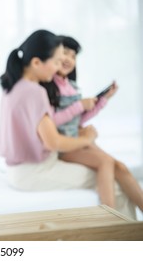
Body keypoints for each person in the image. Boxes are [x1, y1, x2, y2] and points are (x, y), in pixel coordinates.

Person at [0, 29, 137, 219]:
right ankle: (117, 235)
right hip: (35, 171)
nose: (57, 68)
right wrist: (87, 138)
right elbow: (53, 142)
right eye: (55, 62)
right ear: (37, 62)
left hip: (16, 170)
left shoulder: (12, 86)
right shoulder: (35, 92)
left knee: (112, 169)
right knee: (116, 186)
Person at [40, 35, 143, 214]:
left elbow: (77, 119)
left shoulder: (71, 85)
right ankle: (109, 219)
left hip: (77, 137)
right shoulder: (48, 85)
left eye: (73, 56)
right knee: (105, 162)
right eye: (65, 53)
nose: (69, 59)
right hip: (65, 145)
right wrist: (79, 105)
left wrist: (102, 101)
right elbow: (50, 121)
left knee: (121, 167)